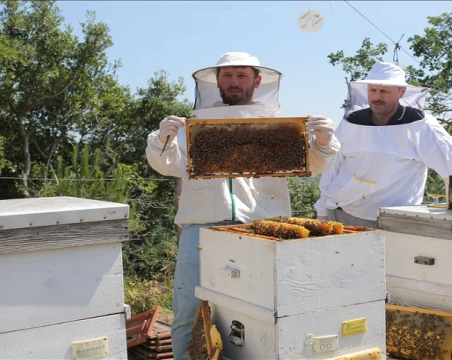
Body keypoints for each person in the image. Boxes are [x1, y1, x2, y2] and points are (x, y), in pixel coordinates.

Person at [145, 52, 340, 359]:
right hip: (201, 231)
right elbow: (167, 164)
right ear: (216, 81)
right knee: (188, 313)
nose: (234, 82)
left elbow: (314, 164)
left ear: (257, 81)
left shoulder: (278, 125)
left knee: (255, 313)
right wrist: (162, 139)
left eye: (241, 75)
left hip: (261, 230)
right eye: (227, 76)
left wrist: (325, 141)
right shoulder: (195, 126)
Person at [314, 61, 452, 227]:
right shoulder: (351, 122)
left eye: (384, 91)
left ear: (402, 92)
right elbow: (333, 167)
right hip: (342, 214)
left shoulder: (421, 126)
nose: (377, 97)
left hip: (393, 220)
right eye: (373, 90)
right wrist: (323, 209)